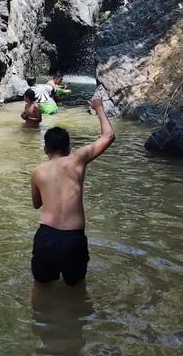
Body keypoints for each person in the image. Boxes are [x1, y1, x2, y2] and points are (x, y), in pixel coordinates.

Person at [29, 96, 115, 286]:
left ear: (45, 149)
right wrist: (99, 107)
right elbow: (108, 136)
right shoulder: (78, 159)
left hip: (46, 238)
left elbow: (36, 204)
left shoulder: (37, 171)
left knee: (41, 289)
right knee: (77, 290)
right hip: (73, 239)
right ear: (69, 148)